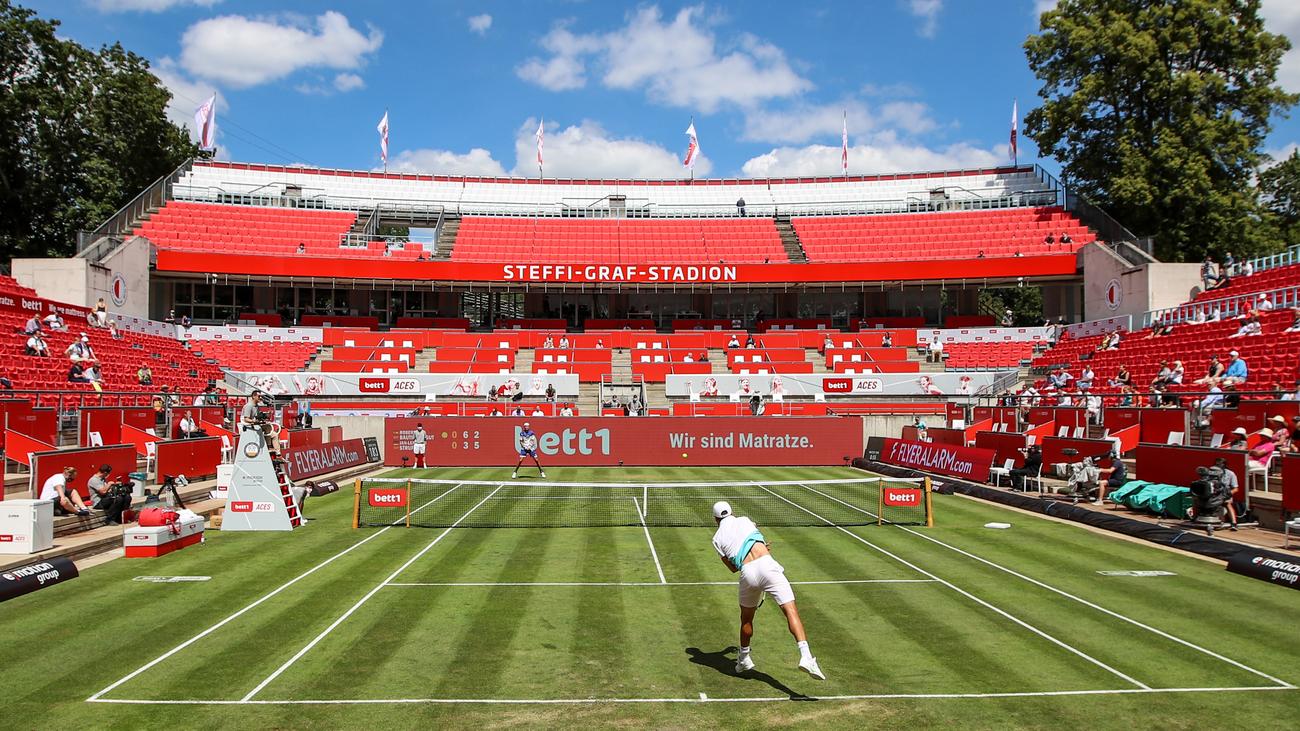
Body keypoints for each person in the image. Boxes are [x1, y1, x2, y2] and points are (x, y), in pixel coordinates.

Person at [710, 500, 824, 680]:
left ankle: (744, 658)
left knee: (746, 619)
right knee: (790, 610)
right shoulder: (745, 520)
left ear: (716, 519)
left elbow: (733, 568)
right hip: (768, 565)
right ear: (731, 512)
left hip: (747, 573)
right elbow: (756, 540)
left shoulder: (716, 539)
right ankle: (806, 656)